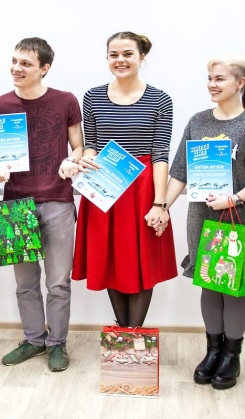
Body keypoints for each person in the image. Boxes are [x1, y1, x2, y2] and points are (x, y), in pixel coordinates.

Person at [0, 37, 83, 372]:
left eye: (25, 63)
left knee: (58, 282)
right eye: (14, 61)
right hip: (14, 205)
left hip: (57, 201)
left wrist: (72, 161)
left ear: (44, 68)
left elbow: (79, 147)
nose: (16, 68)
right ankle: (34, 339)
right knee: (25, 284)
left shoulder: (66, 100)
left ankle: (57, 344)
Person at [71, 31, 177, 327]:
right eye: (113, 54)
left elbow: (160, 154)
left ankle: (134, 333)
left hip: (143, 189)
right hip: (104, 185)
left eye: (128, 54)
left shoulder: (160, 99)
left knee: (142, 260)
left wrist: (160, 204)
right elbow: (91, 144)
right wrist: (86, 157)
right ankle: (123, 335)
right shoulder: (92, 96)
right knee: (110, 259)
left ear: (142, 57)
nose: (120, 60)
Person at [163, 54, 245, 390]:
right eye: (210, 78)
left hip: (238, 217)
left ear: (240, 83)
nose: (212, 84)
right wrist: (161, 206)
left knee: (233, 285)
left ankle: (232, 354)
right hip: (202, 216)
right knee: (209, 281)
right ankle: (213, 351)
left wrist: (234, 198)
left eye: (220, 78)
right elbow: (180, 172)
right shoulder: (198, 121)